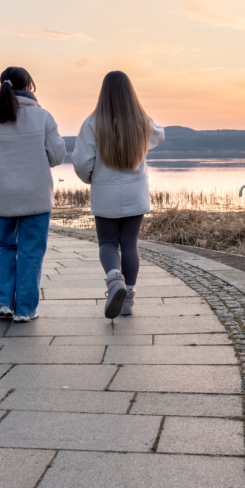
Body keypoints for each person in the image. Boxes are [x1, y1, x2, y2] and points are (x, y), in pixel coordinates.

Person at [0, 66, 66, 322]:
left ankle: (1, 302)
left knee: (3, 246)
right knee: (31, 251)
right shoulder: (43, 117)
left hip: (2, 196)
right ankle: (25, 309)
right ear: (29, 86)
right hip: (35, 195)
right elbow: (56, 157)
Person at [72, 70, 165, 318]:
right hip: (135, 193)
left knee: (108, 243)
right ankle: (128, 299)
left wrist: (91, 178)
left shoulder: (92, 123)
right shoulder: (142, 122)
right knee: (130, 245)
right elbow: (159, 134)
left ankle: (115, 281)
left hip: (105, 192)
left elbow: (81, 161)